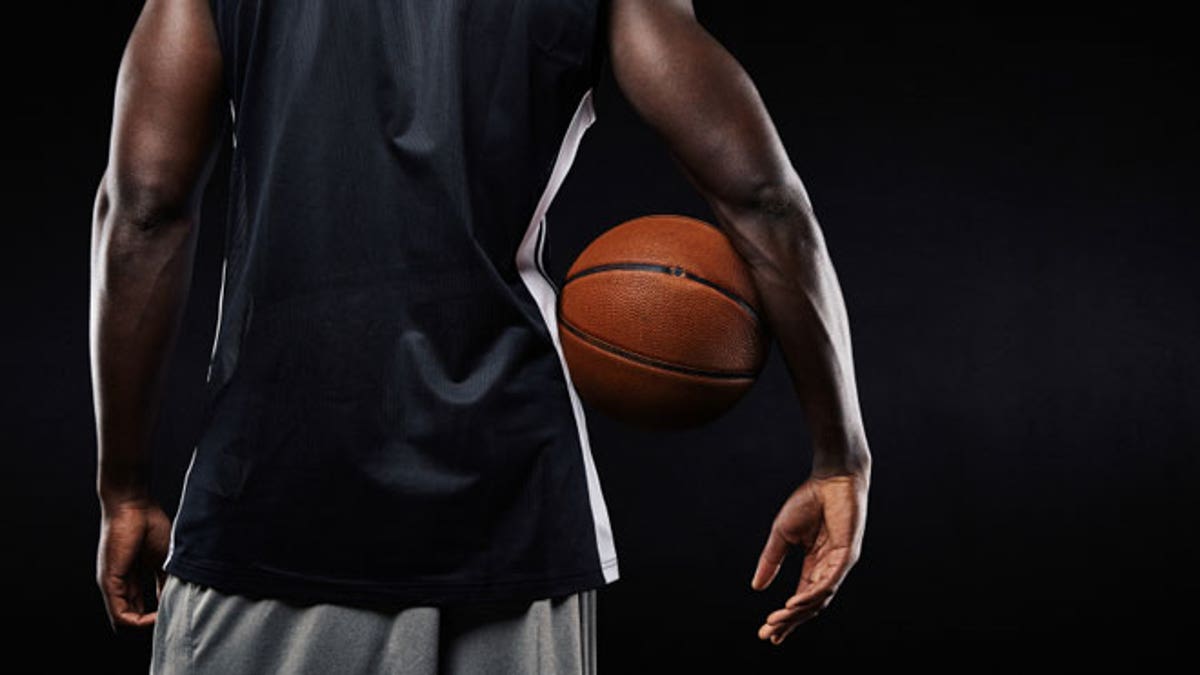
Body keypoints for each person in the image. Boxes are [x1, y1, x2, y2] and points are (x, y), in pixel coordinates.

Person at [90, 0, 872, 671]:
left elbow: (144, 209)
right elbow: (764, 196)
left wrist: (123, 486)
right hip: (515, 512)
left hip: (273, 496)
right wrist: (839, 455)